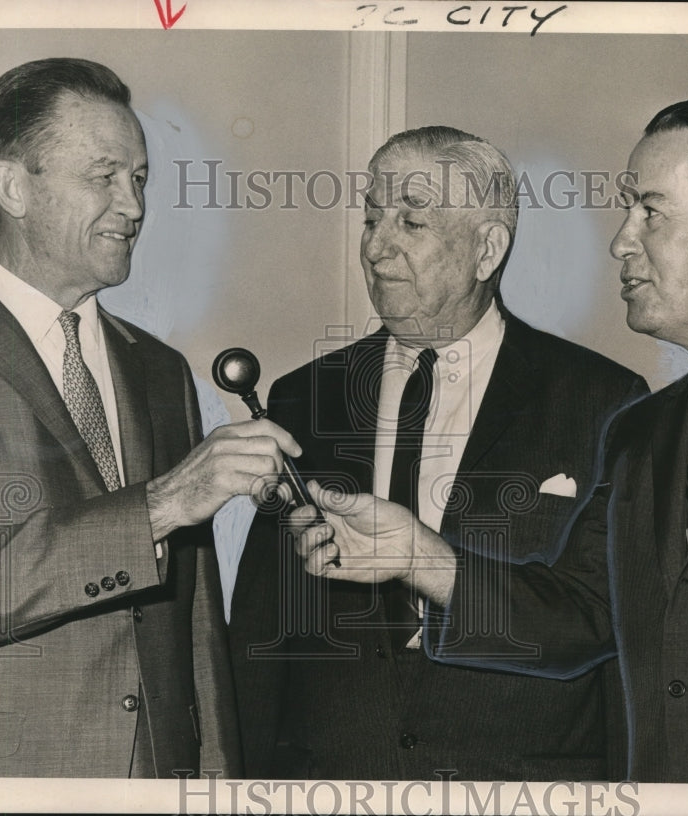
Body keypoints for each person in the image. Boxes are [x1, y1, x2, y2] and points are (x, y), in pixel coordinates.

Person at [294, 97, 688, 784]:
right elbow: (582, 619)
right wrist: (416, 553)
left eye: (650, 211)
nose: (621, 239)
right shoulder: (645, 430)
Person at [229, 126, 647, 780]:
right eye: (371, 219)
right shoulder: (302, 398)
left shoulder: (603, 400)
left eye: (411, 221)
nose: (375, 245)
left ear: (486, 249)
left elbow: (600, 622)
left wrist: (425, 559)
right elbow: (262, 630)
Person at [0, 57, 300, 778]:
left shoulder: (158, 369)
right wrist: (162, 503)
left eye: (139, 179)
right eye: (105, 177)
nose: (134, 206)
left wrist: (214, 777)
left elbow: (194, 624)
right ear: (13, 188)